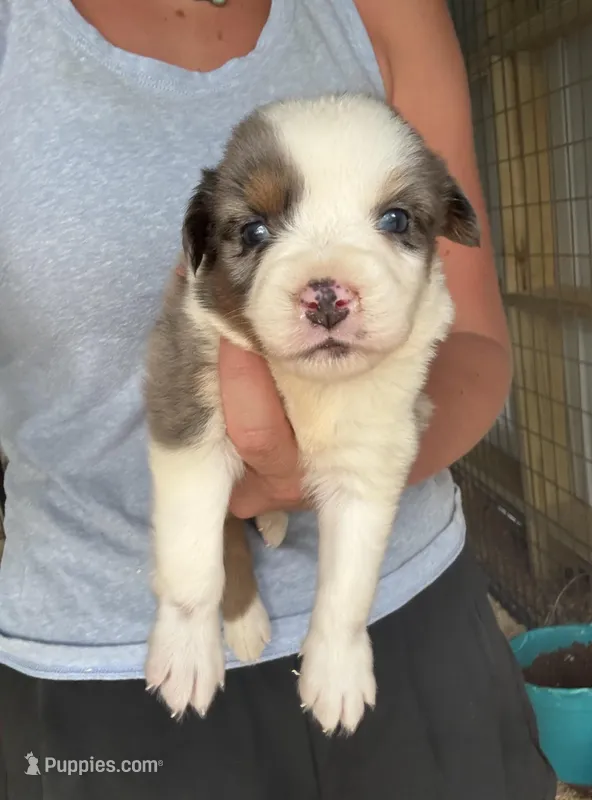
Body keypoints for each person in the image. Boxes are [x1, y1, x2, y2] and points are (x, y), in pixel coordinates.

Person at [0, 1, 557, 798]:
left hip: (411, 620)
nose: (327, 291)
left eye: (394, 220)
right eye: (257, 234)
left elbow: (475, 344)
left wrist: (345, 464)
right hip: (97, 668)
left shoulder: (383, 12)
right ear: (206, 243)